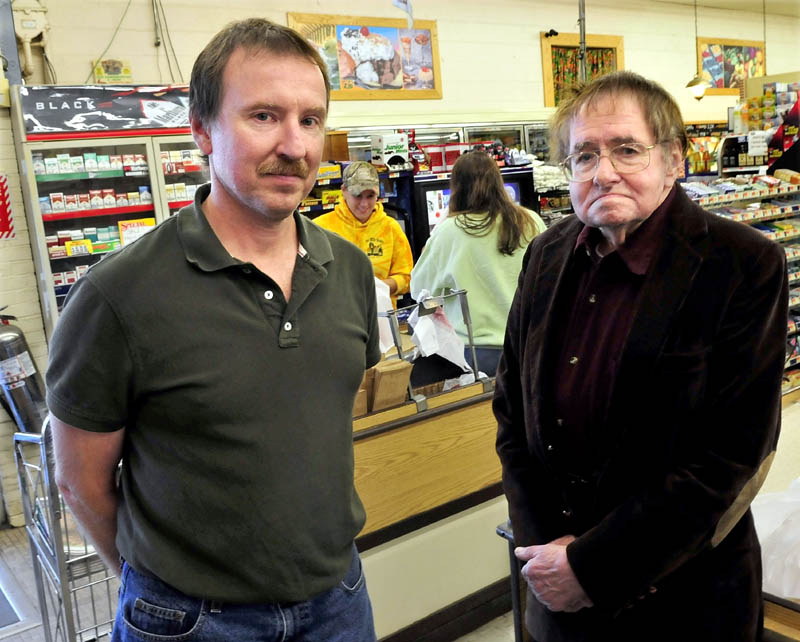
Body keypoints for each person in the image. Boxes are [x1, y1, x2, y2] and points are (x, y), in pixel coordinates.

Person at [46, 18, 380, 642]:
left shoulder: (352, 272)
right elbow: (80, 480)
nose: (295, 145)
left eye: (310, 119)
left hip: (339, 601)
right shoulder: (117, 296)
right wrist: (150, 585)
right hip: (190, 621)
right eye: (262, 116)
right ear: (200, 128)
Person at [494, 70, 787, 642]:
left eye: (627, 149)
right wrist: (548, 554)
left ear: (674, 160)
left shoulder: (742, 265)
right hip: (561, 601)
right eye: (583, 155)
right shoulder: (546, 255)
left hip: (685, 599)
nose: (603, 173)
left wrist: (592, 566)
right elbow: (512, 414)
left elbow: (731, 456)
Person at [410, 151, 545, 375]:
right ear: (498, 181)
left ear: (456, 187)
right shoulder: (531, 221)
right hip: (527, 346)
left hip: (473, 356)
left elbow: (423, 295)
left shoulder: (449, 231)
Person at [314, 161, 413, 307]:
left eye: (370, 196)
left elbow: (407, 278)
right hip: (337, 317)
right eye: (358, 195)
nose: (364, 204)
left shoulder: (391, 228)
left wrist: (378, 287)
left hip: (381, 316)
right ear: (344, 191)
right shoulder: (320, 228)